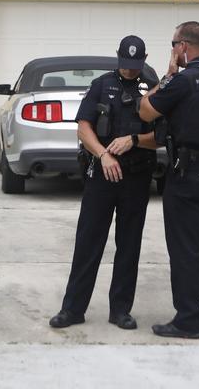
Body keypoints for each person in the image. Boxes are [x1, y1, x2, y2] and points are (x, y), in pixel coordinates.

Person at [49, 35, 160, 331]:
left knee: (129, 244)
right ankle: (72, 309)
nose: (130, 71)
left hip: (136, 177)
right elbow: (83, 127)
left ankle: (120, 310)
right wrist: (103, 155)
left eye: (135, 65)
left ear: (144, 59)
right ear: (118, 58)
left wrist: (135, 140)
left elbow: (162, 136)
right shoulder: (101, 85)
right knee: (88, 242)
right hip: (102, 176)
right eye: (125, 65)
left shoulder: (152, 88)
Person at [138, 21, 199, 339]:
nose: (172, 50)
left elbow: (145, 111)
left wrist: (168, 73)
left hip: (187, 172)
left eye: (173, 44)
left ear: (183, 46)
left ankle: (188, 319)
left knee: (185, 248)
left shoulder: (182, 81)